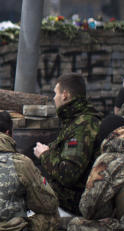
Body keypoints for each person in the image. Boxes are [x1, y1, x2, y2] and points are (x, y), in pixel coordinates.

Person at [33, 72, 101, 215]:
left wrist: (45, 155)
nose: (53, 98)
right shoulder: (74, 120)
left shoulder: (83, 125)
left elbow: (69, 173)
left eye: (55, 93)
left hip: (73, 204)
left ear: (65, 95)